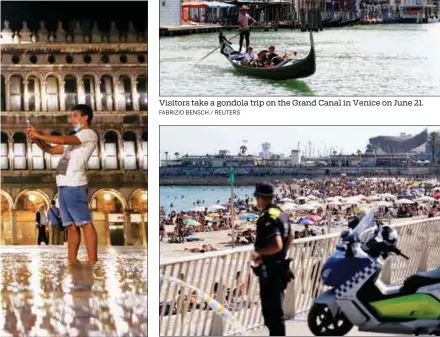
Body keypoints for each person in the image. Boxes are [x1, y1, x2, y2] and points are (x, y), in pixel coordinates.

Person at [27, 104, 99, 264]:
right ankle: (72, 259)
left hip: (75, 184)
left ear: (85, 117)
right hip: (63, 185)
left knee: (85, 223)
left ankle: (93, 260)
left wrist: (40, 134)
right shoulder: (74, 139)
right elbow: (52, 150)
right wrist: (37, 140)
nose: (71, 119)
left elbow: (61, 139)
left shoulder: (88, 134)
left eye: (75, 116)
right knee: (71, 226)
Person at [252, 182, 294, 336]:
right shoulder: (281, 213)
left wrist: (260, 253)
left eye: (256, 197)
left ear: (259, 198)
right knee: (276, 314)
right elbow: (291, 237)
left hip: (271, 272)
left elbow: (277, 244)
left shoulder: (267, 217)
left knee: (272, 316)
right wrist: (282, 255)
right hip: (281, 269)